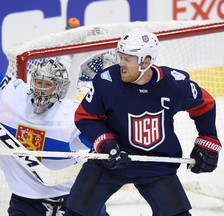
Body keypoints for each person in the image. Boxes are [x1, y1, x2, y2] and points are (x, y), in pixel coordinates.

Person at [64, 29, 222, 216]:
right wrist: (105, 143)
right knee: (76, 213)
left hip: (156, 163)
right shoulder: (107, 82)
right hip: (112, 161)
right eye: (120, 56)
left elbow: (205, 103)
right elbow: (85, 116)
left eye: (127, 59)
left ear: (145, 62)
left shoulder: (174, 83)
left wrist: (208, 138)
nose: (120, 63)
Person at [0, 58, 109, 216]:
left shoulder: (71, 116)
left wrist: (112, 146)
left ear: (60, 89)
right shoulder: (12, 97)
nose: (41, 89)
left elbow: (103, 136)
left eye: (48, 85)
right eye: (39, 83)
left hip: (75, 200)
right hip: (26, 202)